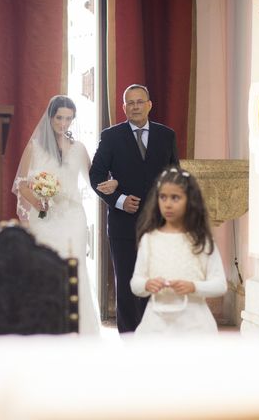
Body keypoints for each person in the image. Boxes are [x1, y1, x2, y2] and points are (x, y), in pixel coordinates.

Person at [12, 95, 115, 335]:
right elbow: (21, 184)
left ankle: (78, 330)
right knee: (44, 270)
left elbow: (95, 179)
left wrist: (112, 184)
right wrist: (39, 202)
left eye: (68, 118)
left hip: (72, 218)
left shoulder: (79, 149)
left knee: (74, 269)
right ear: (50, 117)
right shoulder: (34, 148)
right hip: (44, 217)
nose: (63, 123)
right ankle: (44, 328)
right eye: (59, 117)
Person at [89, 84, 178, 333]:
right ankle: (129, 339)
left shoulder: (166, 135)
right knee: (128, 284)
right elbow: (95, 175)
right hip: (122, 224)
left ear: (149, 105)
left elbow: (175, 177)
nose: (135, 106)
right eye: (130, 103)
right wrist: (119, 200)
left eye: (140, 102)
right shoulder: (111, 136)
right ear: (124, 107)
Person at [130, 167, 227, 334]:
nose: (167, 204)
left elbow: (220, 285)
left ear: (190, 200)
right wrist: (147, 284)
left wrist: (193, 286)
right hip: (156, 324)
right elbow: (135, 283)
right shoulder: (149, 239)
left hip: (194, 325)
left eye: (175, 198)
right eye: (163, 197)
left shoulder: (201, 241)